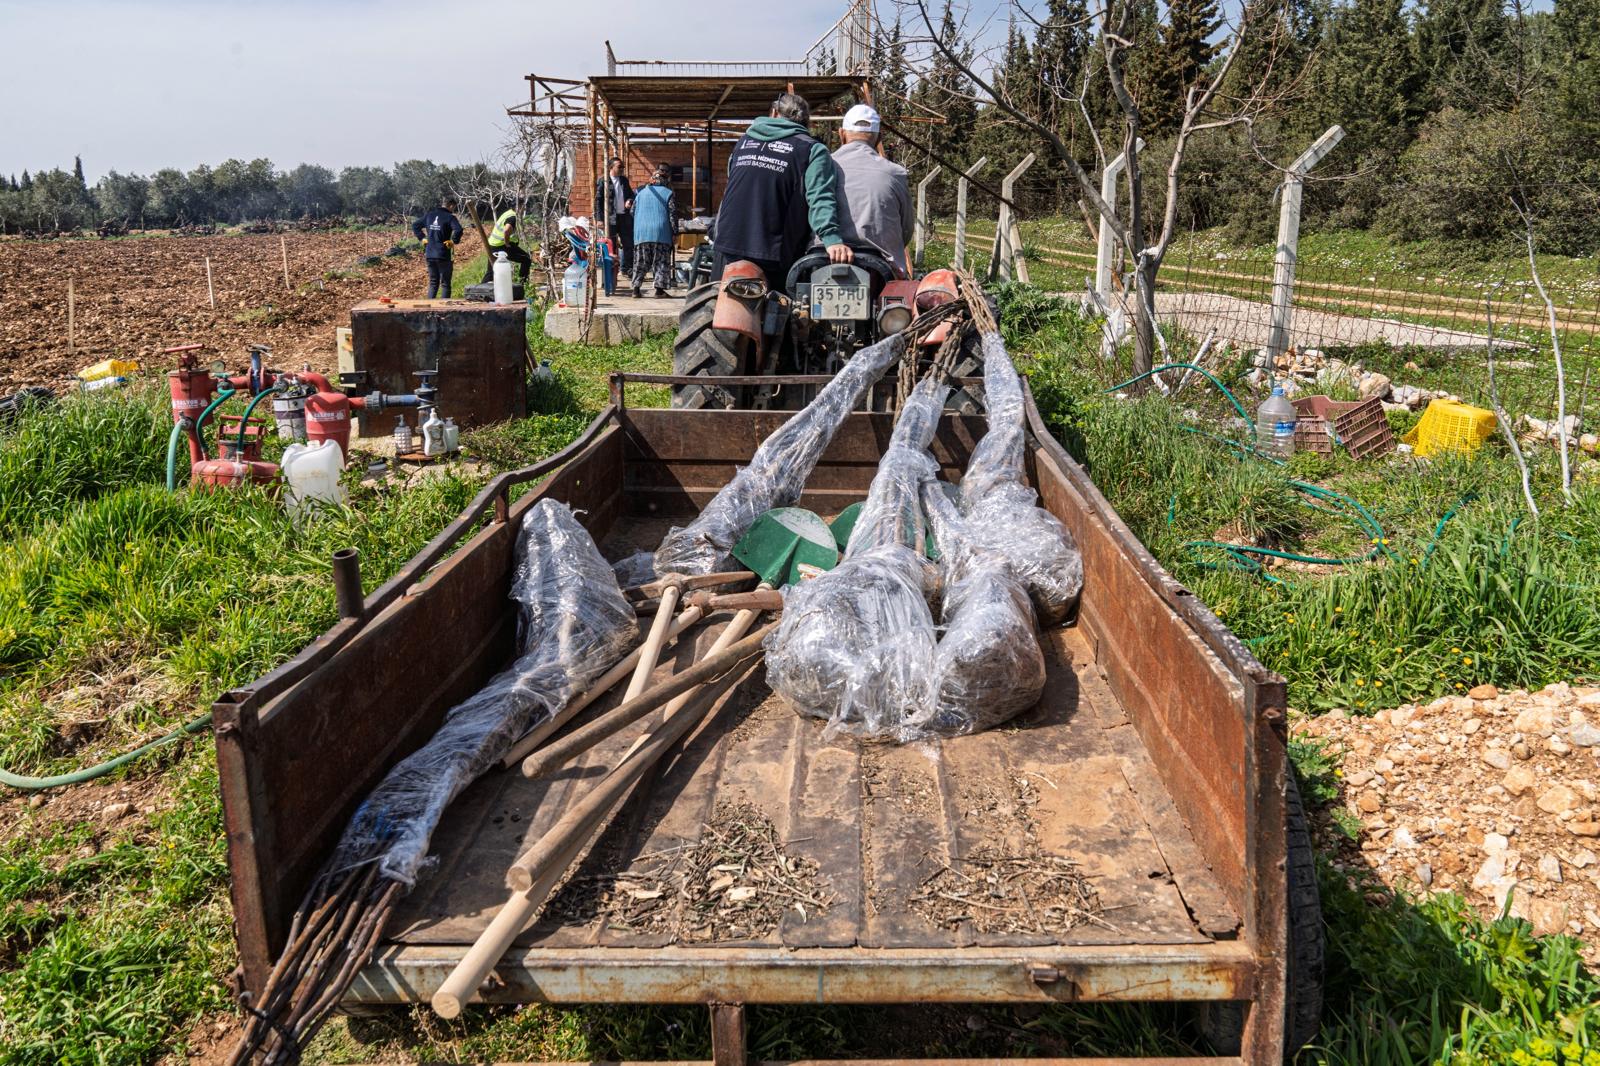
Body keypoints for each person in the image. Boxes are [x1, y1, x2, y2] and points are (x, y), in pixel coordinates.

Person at [711, 92, 852, 288]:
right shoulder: (812, 150)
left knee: (716, 301)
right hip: (773, 253)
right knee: (780, 306)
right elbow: (820, 198)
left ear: (774, 113)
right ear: (806, 120)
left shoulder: (743, 142)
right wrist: (832, 239)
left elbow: (733, 184)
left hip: (727, 244)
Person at [830, 104, 914, 277]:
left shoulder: (821, 168)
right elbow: (905, 229)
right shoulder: (895, 173)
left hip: (821, 264)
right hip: (880, 271)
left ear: (841, 134)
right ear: (878, 138)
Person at [630, 164, 677, 298]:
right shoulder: (668, 193)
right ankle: (659, 291)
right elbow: (672, 214)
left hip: (641, 233)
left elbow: (632, 211)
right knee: (661, 262)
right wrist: (675, 232)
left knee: (640, 262)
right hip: (661, 233)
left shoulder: (640, 193)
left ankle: (636, 290)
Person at [411, 197, 464, 298]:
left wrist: (422, 238)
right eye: (454, 207)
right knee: (445, 284)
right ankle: (444, 306)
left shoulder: (429, 215)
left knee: (433, 282)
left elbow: (415, 225)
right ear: (451, 205)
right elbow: (458, 229)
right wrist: (453, 241)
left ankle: (430, 307)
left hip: (430, 253)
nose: (453, 209)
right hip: (443, 253)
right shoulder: (450, 217)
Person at [594, 157, 634, 276]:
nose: (622, 169)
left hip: (624, 217)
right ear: (611, 167)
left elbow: (631, 194)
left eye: (623, 167)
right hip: (610, 218)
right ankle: (611, 271)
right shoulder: (604, 181)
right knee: (611, 245)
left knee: (628, 243)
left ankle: (627, 269)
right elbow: (598, 201)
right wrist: (599, 219)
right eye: (619, 167)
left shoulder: (624, 180)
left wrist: (629, 200)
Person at [483, 207, 533, 287]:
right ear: (520, 206)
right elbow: (506, 230)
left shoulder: (508, 213)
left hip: (493, 245)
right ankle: (523, 285)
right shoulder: (513, 217)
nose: (524, 208)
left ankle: (478, 291)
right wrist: (507, 243)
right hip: (501, 246)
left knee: (491, 271)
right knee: (526, 259)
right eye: (523, 206)